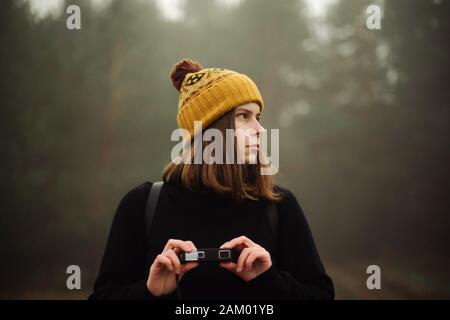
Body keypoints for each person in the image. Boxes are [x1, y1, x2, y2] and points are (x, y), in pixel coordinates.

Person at [88, 59, 334, 300]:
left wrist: (270, 282)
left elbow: (320, 295)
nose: (260, 130)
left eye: (258, 117)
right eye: (244, 116)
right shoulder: (142, 205)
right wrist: (149, 293)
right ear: (210, 129)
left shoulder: (278, 206)